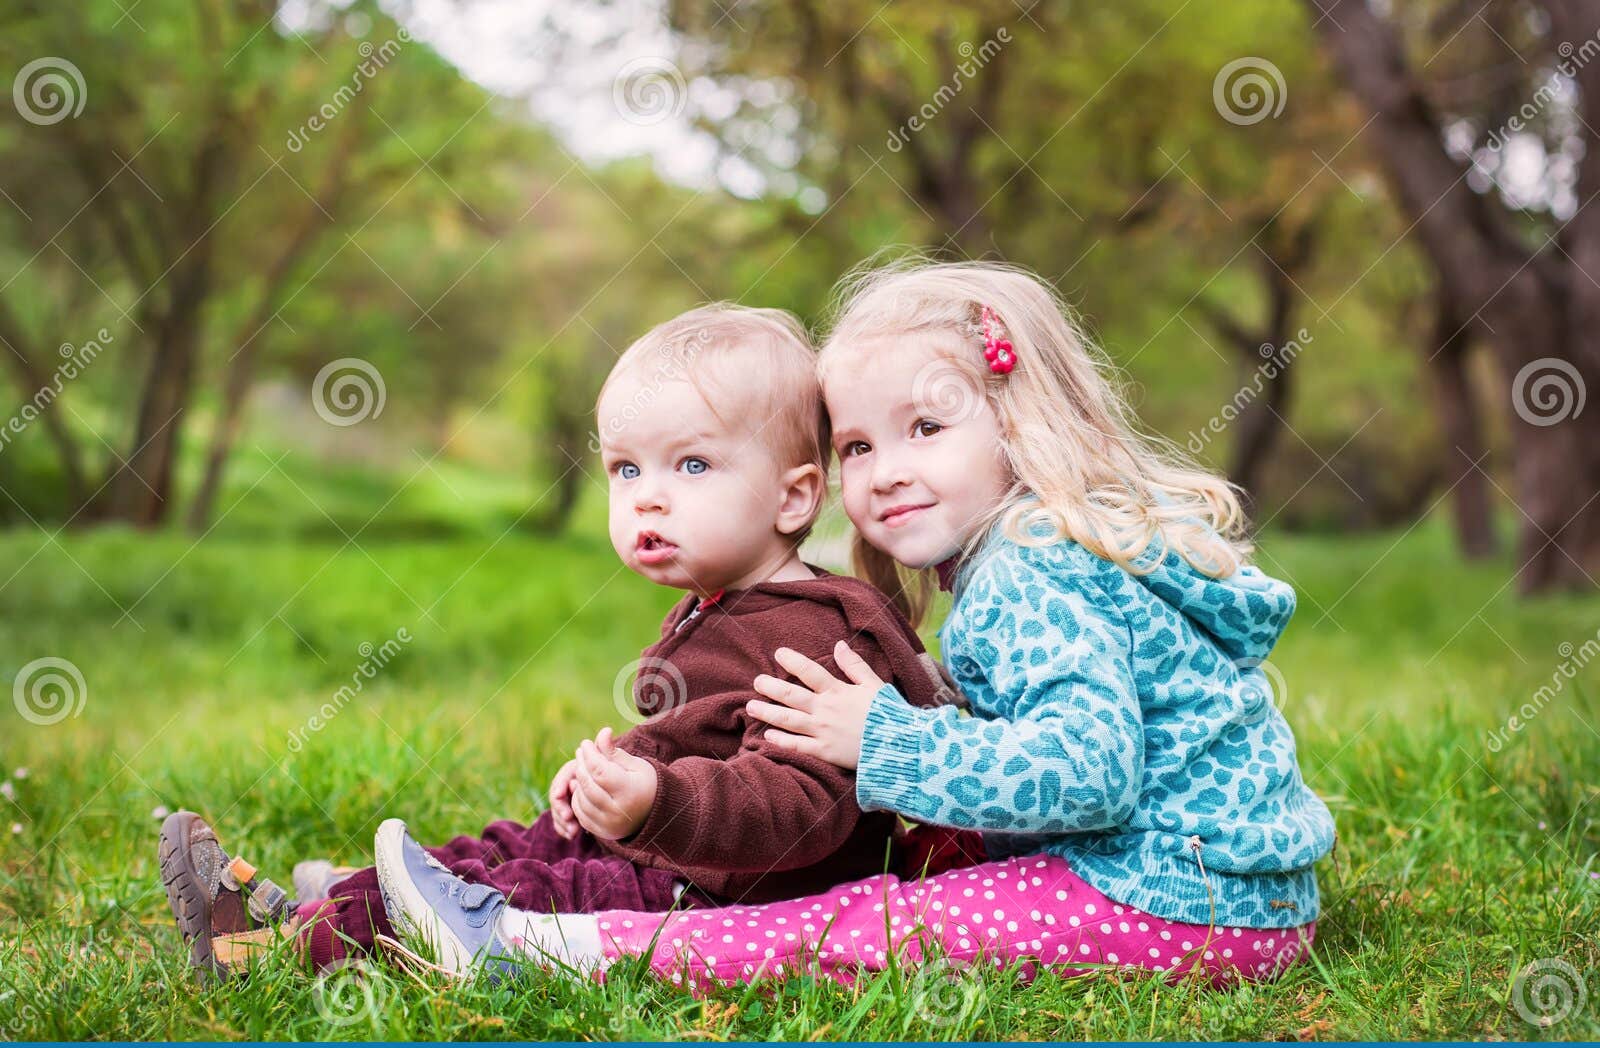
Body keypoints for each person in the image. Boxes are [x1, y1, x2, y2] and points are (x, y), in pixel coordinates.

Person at [377, 259, 1337, 991]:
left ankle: (535, 946)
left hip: (1178, 902)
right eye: (859, 445)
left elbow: (1091, 774)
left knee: (866, 924)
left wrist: (888, 742)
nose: (883, 472)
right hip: (1238, 894)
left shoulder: (1034, 575)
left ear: (1021, 421)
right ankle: (416, 886)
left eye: (927, 429)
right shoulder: (1042, 555)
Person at [158, 303, 974, 980]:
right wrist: (621, 774)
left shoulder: (816, 636)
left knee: (531, 888)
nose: (648, 499)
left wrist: (661, 801)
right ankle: (341, 895)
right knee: (537, 837)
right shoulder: (728, 602)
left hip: (725, 901)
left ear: (795, 498)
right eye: (626, 471)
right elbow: (708, 735)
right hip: (681, 850)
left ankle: (273, 945)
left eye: (691, 467)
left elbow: (802, 809)